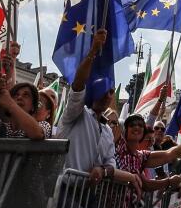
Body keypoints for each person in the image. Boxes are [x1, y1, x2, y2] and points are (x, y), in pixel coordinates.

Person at [55, 30, 137, 191]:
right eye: (103, 90)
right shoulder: (76, 114)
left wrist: (103, 170)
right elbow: (78, 85)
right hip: (62, 190)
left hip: (88, 194)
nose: (107, 95)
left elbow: (110, 164)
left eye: (110, 92)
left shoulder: (107, 132)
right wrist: (93, 51)